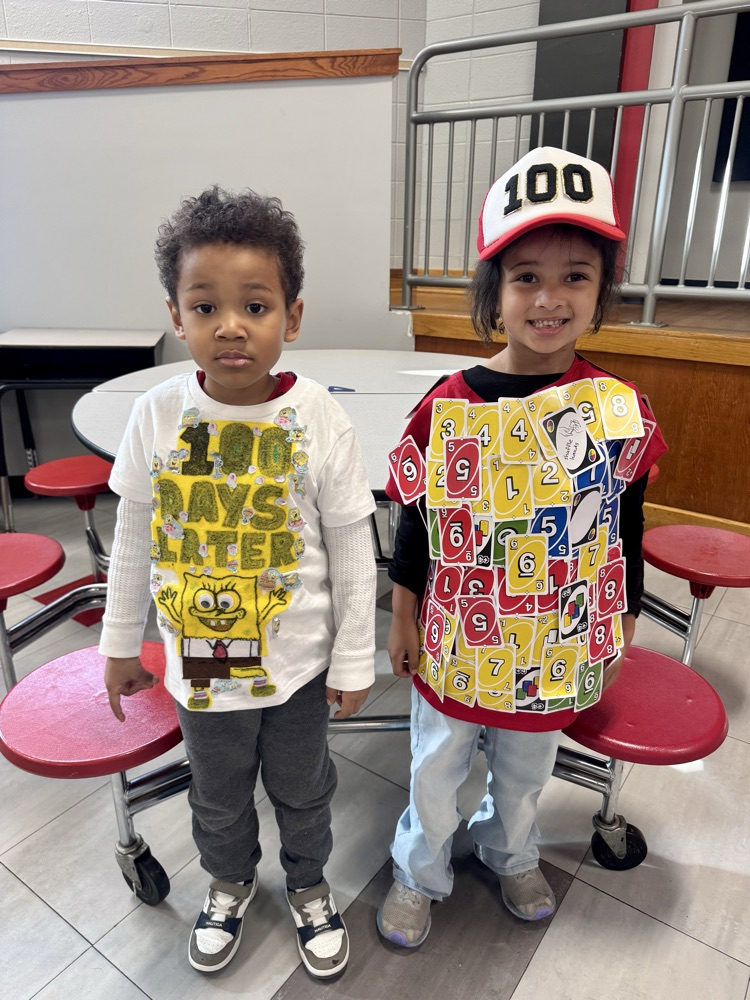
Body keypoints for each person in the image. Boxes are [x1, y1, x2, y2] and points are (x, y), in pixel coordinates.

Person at [377, 146, 667, 947]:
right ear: (493, 292)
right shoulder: (449, 407)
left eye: (576, 275)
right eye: (526, 276)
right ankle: (418, 869)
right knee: (437, 768)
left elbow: (623, 525)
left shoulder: (615, 409)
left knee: (525, 773)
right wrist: (402, 617)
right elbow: (418, 525)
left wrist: (626, 617)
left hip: (557, 636)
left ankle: (511, 852)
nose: (550, 297)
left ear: (602, 288)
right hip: (455, 641)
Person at [100, 186, 377, 979]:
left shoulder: (319, 417)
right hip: (201, 669)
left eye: (254, 305)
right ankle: (228, 886)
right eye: (206, 306)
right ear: (176, 315)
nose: (230, 325)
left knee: (304, 788)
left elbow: (353, 546)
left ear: (291, 316)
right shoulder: (157, 414)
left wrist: (355, 661)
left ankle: (308, 885)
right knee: (216, 798)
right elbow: (131, 539)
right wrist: (120, 645)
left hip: (295, 669)